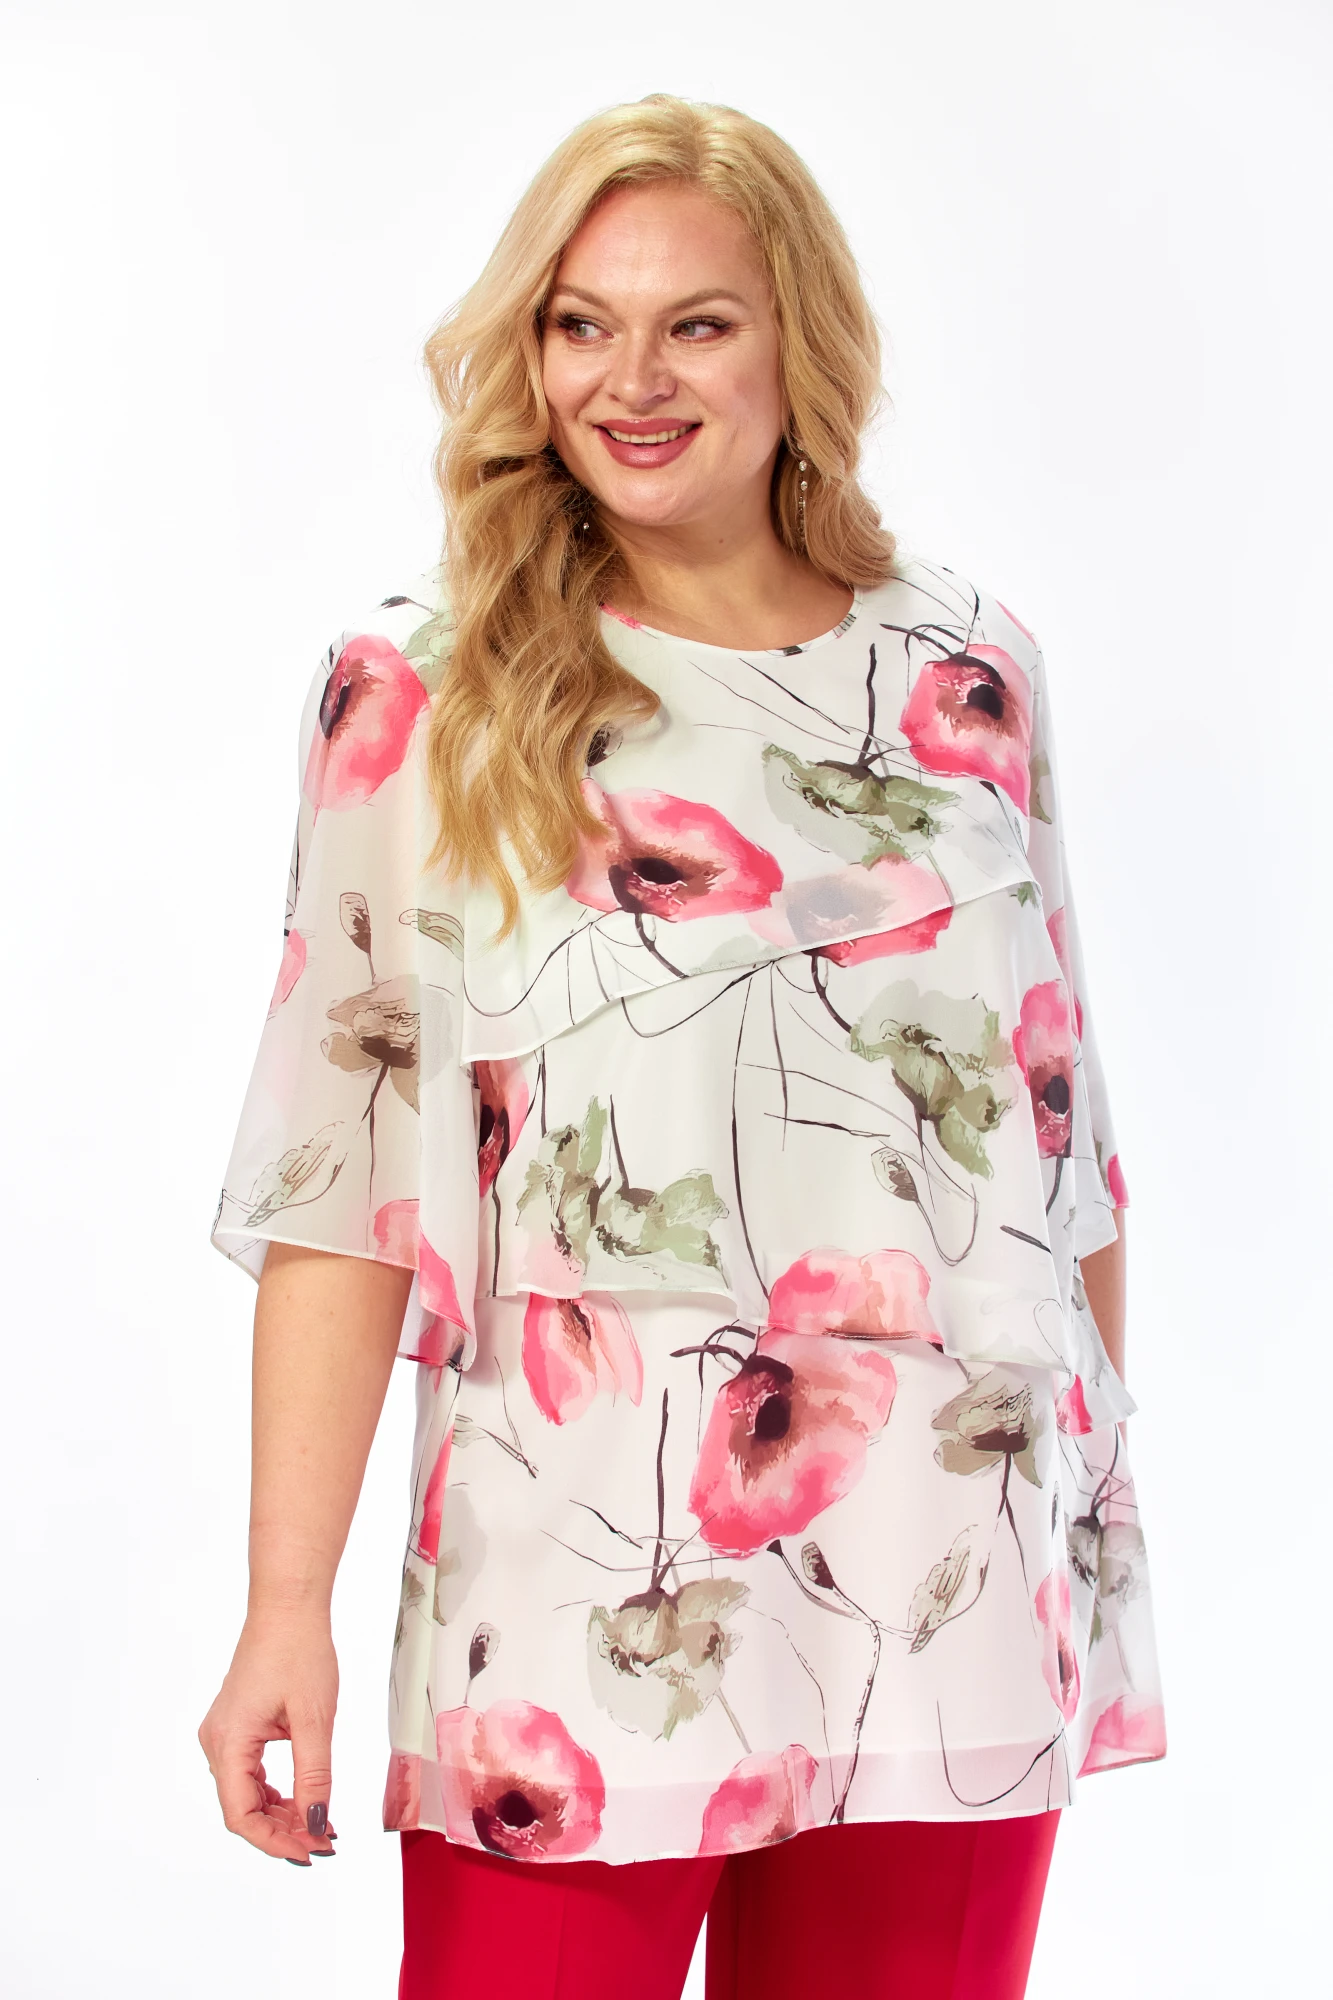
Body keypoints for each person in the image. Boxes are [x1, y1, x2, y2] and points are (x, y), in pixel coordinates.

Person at [199, 93, 1166, 2000]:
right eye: (581, 325)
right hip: (572, 1593)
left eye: (696, 324)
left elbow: (1064, 1136)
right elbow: (339, 1178)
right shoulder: (428, 691)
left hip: (952, 1565)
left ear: (803, 340)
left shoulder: (966, 668)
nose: (629, 381)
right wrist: (281, 1607)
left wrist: (1086, 1504)